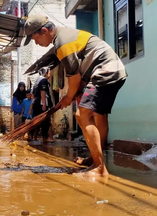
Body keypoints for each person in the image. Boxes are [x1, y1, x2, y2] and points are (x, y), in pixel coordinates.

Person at [23, 15, 127, 177]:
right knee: (99, 116)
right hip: (114, 71)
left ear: (44, 31)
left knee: (82, 114)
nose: (36, 43)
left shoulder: (61, 43)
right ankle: (94, 159)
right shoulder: (65, 35)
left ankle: (99, 168)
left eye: (35, 38)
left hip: (105, 71)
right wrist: (78, 92)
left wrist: (68, 96)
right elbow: (82, 68)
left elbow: (74, 77)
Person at [31, 67, 53, 143]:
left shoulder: (37, 81)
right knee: (45, 122)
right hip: (41, 104)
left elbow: (33, 95)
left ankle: (33, 136)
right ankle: (45, 138)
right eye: (49, 72)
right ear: (46, 73)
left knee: (37, 121)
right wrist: (44, 104)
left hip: (36, 104)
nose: (50, 74)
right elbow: (43, 92)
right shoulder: (43, 80)